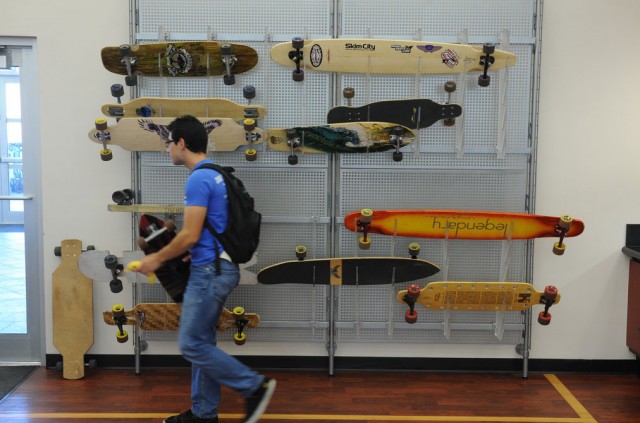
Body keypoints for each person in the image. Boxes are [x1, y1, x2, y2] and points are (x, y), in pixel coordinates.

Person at [132, 115, 276, 423]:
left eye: (169, 143)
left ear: (182, 144)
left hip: (209, 274)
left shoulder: (198, 178)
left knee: (191, 344)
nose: (167, 149)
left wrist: (155, 259)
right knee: (202, 342)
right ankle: (203, 413)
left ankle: (254, 386)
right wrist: (191, 254)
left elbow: (190, 234)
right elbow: (210, 231)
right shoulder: (216, 175)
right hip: (215, 268)